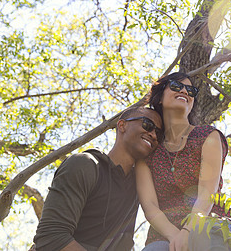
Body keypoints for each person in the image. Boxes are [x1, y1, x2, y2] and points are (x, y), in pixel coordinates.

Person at [32, 106, 163, 251]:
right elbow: (51, 236)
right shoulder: (85, 164)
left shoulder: (140, 185)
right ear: (122, 125)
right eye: (147, 125)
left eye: (159, 133)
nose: (154, 135)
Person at [136, 72, 231, 251]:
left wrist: (187, 231)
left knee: (208, 235)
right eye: (176, 86)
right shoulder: (147, 153)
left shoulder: (208, 136)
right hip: (164, 235)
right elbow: (150, 206)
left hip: (210, 221)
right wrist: (175, 236)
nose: (185, 91)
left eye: (191, 90)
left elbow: (207, 193)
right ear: (160, 96)